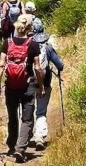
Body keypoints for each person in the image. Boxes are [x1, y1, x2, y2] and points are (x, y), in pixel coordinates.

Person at [0, 15, 45, 163]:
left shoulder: (7, 43)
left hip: (10, 86)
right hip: (27, 85)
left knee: (12, 117)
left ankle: (11, 145)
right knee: (27, 119)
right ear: (29, 28)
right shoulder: (33, 44)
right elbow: (37, 67)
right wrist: (40, 86)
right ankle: (21, 148)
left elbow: (2, 65)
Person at [31, 22, 64, 151]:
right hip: (45, 84)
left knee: (27, 109)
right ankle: (39, 137)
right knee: (40, 111)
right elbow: (60, 65)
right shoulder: (48, 47)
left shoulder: (28, 46)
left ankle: (25, 134)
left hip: (28, 83)